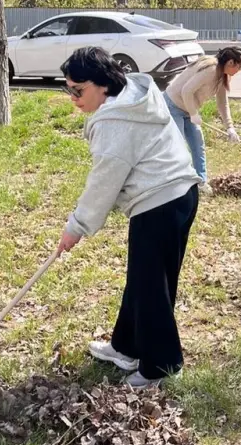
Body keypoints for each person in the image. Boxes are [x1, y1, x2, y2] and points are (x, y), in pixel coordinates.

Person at [56, 46, 200, 388]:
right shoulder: (134, 97)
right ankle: (127, 347)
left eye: (79, 90)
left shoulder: (116, 122)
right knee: (145, 280)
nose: (73, 98)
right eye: (68, 90)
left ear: (103, 85)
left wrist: (76, 226)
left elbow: (104, 182)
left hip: (160, 202)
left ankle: (161, 366)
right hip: (178, 195)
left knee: (153, 287)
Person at [164, 46, 241, 194]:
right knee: (178, 145)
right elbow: (186, 91)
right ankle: (174, 185)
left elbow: (222, 102)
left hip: (188, 108)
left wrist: (230, 127)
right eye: (239, 66)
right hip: (173, 105)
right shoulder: (211, 69)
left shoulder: (223, 75)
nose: (239, 71)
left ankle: (201, 182)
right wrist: (194, 114)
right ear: (230, 62)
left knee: (197, 143)